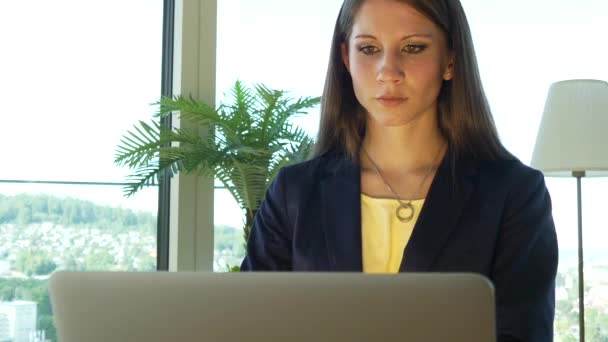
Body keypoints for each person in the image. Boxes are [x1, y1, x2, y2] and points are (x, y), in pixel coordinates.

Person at [241, 0, 558, 341]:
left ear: (450, 60)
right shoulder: (294, 193)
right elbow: (249, 326)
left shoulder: (514, 193)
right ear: (346, 59)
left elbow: (524, 333)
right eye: (369, 48)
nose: (388, 71)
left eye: (413, 48)